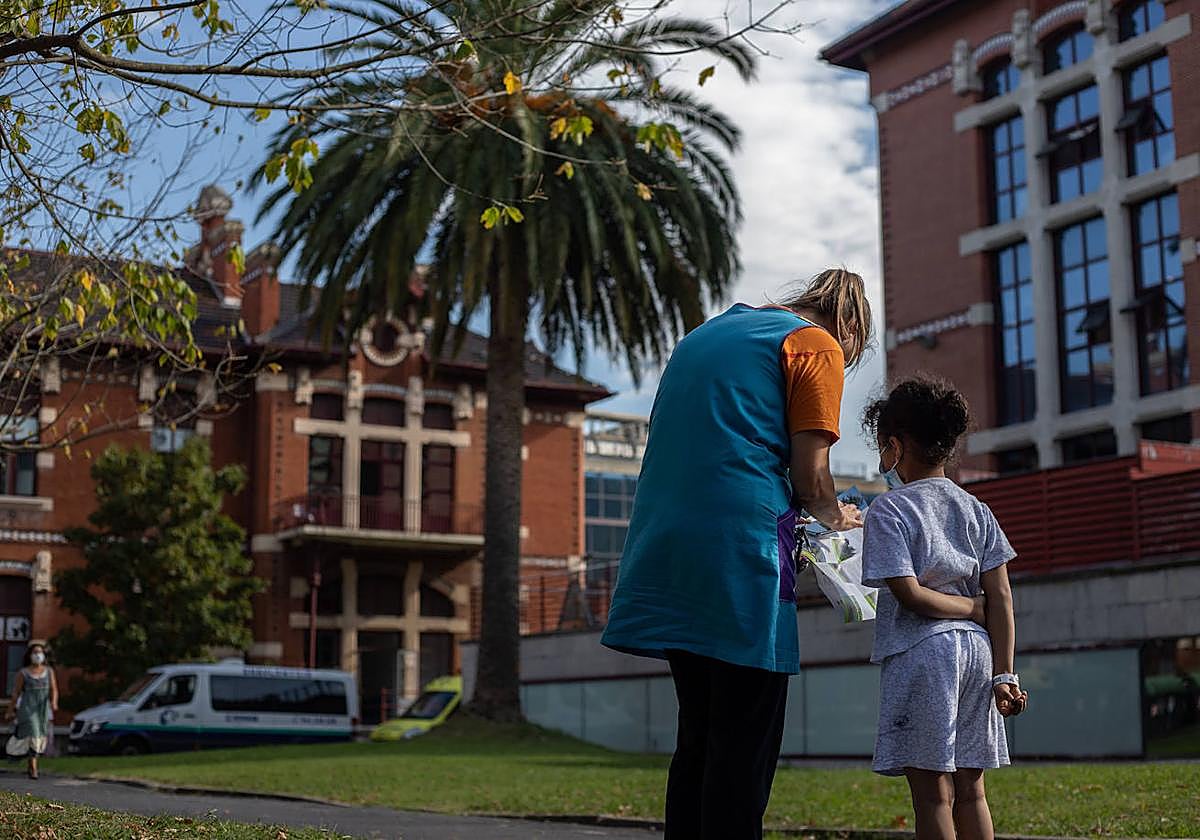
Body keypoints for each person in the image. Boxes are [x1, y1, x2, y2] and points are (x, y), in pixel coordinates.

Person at [601, 269, 874, 840]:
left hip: (666, 546)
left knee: (698, 734)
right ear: (849, 326)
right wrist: (838, 517)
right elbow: (811, 478)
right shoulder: (815, 343)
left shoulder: (705, 335)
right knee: (744, 740)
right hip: (743, 548)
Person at [860, 377, 1029, 840]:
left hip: (923, 655)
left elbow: (910, 595)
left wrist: (970, 609)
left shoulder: (889, 510)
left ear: (895, 446)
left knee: (933, 795)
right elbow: (1002, 599)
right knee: (972, 791)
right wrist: (1005, 675)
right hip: (978, 656)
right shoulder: (977, 509)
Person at [6, 642, 59, 779]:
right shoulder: (23, 673)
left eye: (40, 652)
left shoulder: (49, 671)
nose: (37, 655)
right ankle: (34, 767)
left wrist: (54, 702)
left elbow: (54, 689)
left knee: (40, 736)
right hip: (28, 708)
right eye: (35, 652)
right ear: (30, 655)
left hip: (43, 708)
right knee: (34, 734)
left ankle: (30, 760)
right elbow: (16, 693)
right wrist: (10, 710)